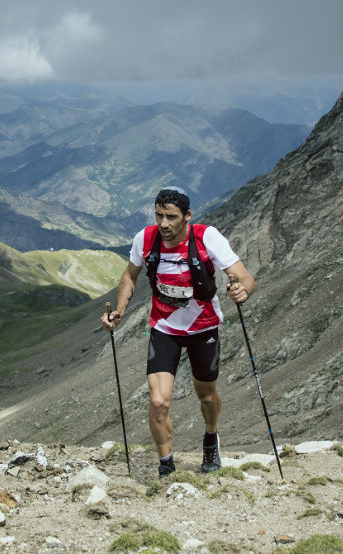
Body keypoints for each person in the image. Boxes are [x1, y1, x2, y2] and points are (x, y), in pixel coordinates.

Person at [101, 187, 256, 478]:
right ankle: (166, 466)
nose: (163, 224)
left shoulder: (206, 238)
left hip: (204, 327)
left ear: (187, 216)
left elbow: (246, 278)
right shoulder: (145, 239)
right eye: (158, 215)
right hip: (164, 327)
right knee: (158, 401)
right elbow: (129, 276)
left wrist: (241, 290)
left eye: (171, 217)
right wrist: (118, 311)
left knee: (207, 397)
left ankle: (211, 438)